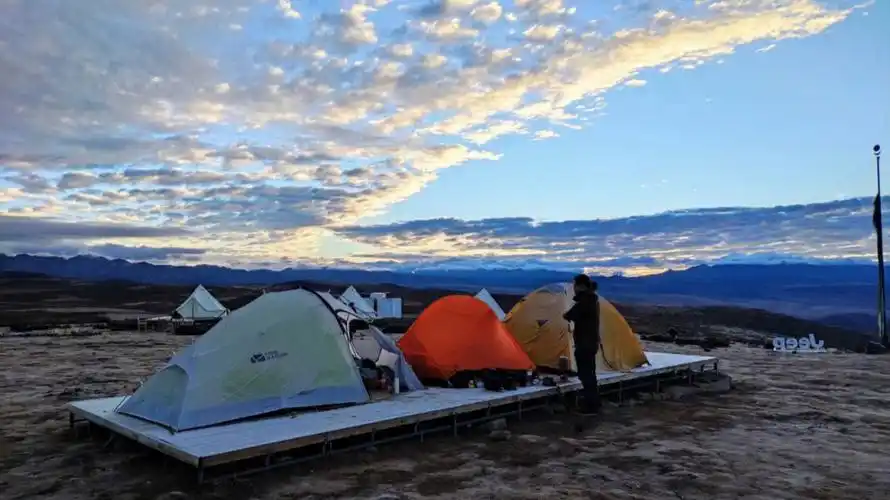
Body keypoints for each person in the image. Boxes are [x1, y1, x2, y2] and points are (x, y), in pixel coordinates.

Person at [563, 274, 601, 415]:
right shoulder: (591, 299)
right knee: (589, 374)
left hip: (585, 343)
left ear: (581, 286)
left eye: (575, 285)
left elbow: (570, 315)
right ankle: (594, 402)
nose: (573, 288)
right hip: (590, 342)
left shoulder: (586, 301)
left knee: (586, 375)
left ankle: (591, 405)